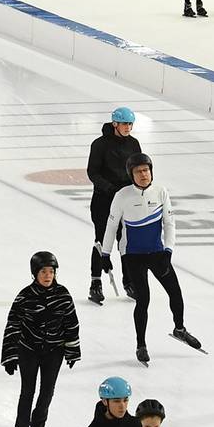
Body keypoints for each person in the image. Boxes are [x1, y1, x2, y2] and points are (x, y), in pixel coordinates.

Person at [101, 154, 198, 365]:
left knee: (175, 291)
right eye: (138, 171)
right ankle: (141, 344)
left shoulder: (160, 192)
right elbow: (111, 226)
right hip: (133, 255)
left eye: (146, 170)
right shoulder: (122, 196)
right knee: (143, 299)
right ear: (131, 175)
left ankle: (179, 329)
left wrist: (168, 251)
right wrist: (105, 254)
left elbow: (169, 224)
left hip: (157, 253)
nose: (143, 175)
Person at [2, 250, 82, 427]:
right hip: (28, 350)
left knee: (47, 391)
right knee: (27, 391)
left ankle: (38, 425)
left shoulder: (63, 295)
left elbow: (71, 324)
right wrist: (10, 356)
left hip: (54, 351)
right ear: (35, 273)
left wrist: (72, 351)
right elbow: (13, 325)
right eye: (44, 272)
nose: (48, 275)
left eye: (51, 271)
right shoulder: (25, 296)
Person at [85, 107, 143, 305]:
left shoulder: (134, 144)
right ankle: (95, 283)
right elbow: (93, 172)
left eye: (130, 124)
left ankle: (130, 282)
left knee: (125, 241)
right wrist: (109, 188)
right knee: (102, 240)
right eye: (125, 124)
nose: (128, 128)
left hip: (125, 202)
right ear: (115, 124)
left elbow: (138, 168)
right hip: (104, 201)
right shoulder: (100, 145)